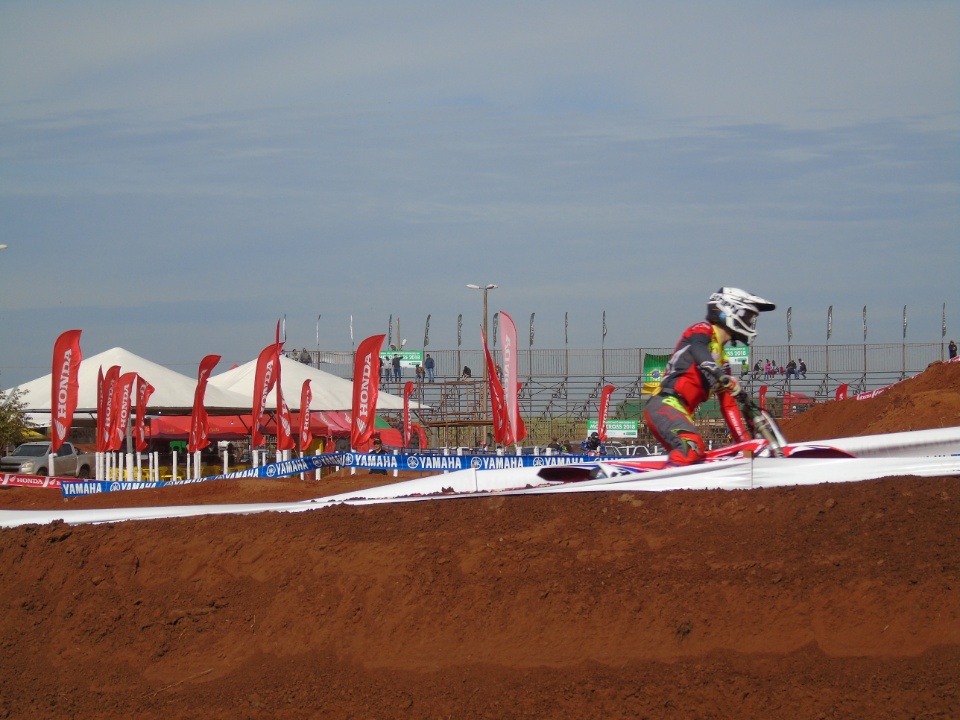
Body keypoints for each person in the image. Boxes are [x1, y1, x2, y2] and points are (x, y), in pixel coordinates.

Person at [644, 287, 775, 466]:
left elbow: (728, 405)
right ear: (729, 310)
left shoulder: (723, 361)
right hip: (665, 403)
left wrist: (744, 445)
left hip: (682, 411)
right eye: (748, 316)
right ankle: (660, 490)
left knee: (697, 460)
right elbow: (698, 346)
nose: (750, 322)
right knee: (692, 447)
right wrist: (714, 369)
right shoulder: (702, 329)